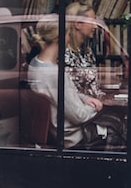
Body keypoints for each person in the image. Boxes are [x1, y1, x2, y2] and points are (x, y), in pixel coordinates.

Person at [28, 18, 103, 148]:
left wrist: (85, 98)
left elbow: (61, 95)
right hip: (70, 136)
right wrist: (96, 107)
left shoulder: (36, 63)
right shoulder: (53, 74)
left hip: (55, 130)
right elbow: (79, 116)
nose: (69, 38)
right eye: (68, 34)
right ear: (59, 38)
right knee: (118, 127)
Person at [63, 1, 104, 100]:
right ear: (78, 24)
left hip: (93, 107)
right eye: (92, 22)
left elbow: (94, 87)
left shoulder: (87, 52)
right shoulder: (64, 54)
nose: (96, 26)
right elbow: (70, 94)